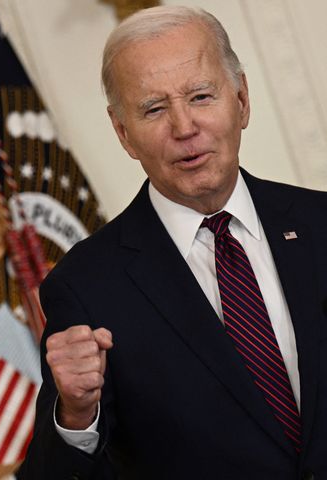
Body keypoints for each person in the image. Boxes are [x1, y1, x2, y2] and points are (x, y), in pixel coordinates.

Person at [18, 5, 327, 479]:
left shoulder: (321, 223)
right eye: (154, 109)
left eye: (201, 96)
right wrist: (76, 416)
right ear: (123, 133)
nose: (184, 128)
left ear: (242, 100)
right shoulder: (84, 286)